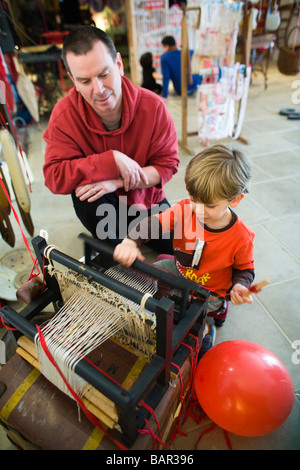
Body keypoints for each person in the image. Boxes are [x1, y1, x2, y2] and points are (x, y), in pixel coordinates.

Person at [43, 26, 179, 253]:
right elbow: (54, 176)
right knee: (85, 193)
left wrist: (119, 180)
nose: (98, 90)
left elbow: (168, 165)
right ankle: (116, 255)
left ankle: (123, 242)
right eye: (85, 81)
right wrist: (112, 160)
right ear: (72, 80)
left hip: (146, 200)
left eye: (104, 74)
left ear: (119, 64)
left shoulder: (154, 107)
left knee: (186, 248)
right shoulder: (64, 114)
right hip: (102, 206)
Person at [113, 144, 255, 328]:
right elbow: (154, 223)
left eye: (210, 205)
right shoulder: (184, 209)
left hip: (210, 291)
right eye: (194, 200)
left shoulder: (242, 236)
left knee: (185, 320)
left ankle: (207, 332)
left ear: (235, 200)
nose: (199, 209)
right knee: (144, 279)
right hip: (180, 270)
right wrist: (131, 241)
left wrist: (239, 286)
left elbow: (245, 269)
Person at [160, 35, 198, 100]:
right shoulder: (189, 52)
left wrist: (164, 96)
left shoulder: (164, 57)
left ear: (166, 46)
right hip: (195, 85)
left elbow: (166, 78)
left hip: (181, 90)